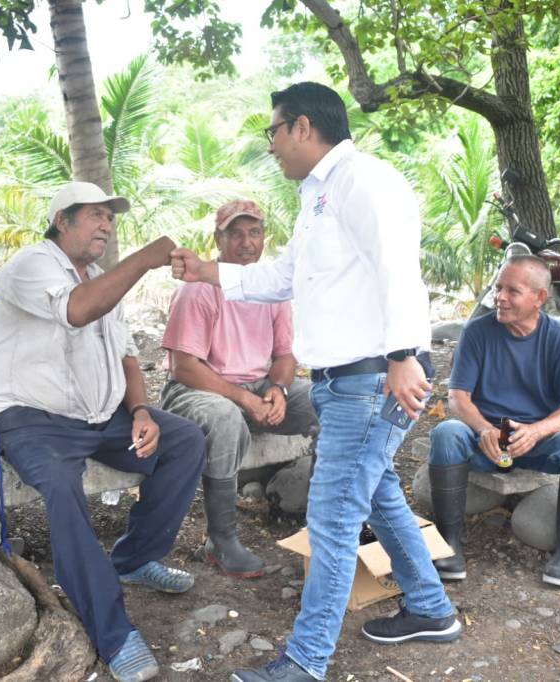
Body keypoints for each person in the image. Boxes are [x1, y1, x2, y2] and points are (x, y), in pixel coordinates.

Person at [171, 82, 461, 682]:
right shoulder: (317, 196)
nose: (270, 145)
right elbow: (282, 278)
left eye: (273, 131)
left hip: (372, 379)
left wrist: (404, 354)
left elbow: (398, 268)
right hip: (342, 383)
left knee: (331, 520)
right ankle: (431, 609)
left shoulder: (363, 181)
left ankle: (305, 662)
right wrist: (206, 271)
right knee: (377, 495)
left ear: (302, 126)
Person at [0, 181, 206, 682]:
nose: (106, 225)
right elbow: (77, 310)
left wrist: (142, 411)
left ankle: (135, 558)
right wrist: (144, 259)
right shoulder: (31, 265)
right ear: (62, 220)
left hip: (98, 418)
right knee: (62, 487)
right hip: (31, 417)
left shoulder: (102, 278)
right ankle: (113, 633)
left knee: (185, 440)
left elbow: (127, 357)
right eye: (96, 215)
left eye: (110, 217)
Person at [160, 199, 318, 579]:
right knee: (225, 417)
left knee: (324, 401)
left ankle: (325, 517)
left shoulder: (271, 288)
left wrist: (278, 389)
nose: (247, 242)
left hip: (257, 385)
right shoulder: (199, 289)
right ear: (218, 239)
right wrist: (244, 398)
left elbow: (285, 354)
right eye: (236, 234)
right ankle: (220, 540)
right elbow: (185, 367)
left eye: (255, 232)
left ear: (264, 238)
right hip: (196, 388)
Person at [429, 255, 560, 589]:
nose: (500, 298)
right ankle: (449, 545)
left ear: (539, 298)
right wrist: (484, 429)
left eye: (512, 291)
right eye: (498, 288)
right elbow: (458, 397)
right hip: (486, 441)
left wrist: (536, 431)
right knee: (446, 433)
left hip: (537, 443)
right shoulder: (477, 332)